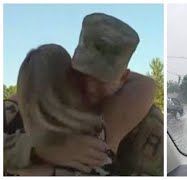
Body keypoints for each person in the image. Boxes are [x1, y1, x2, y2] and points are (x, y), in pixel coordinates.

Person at [4, 13, 163, 176]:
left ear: (123, 78)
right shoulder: (39, 99)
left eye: (102, 80)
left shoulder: (134, 111)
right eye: (82, 75)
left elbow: (146, 85)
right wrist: (38, 149)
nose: (90, 87)